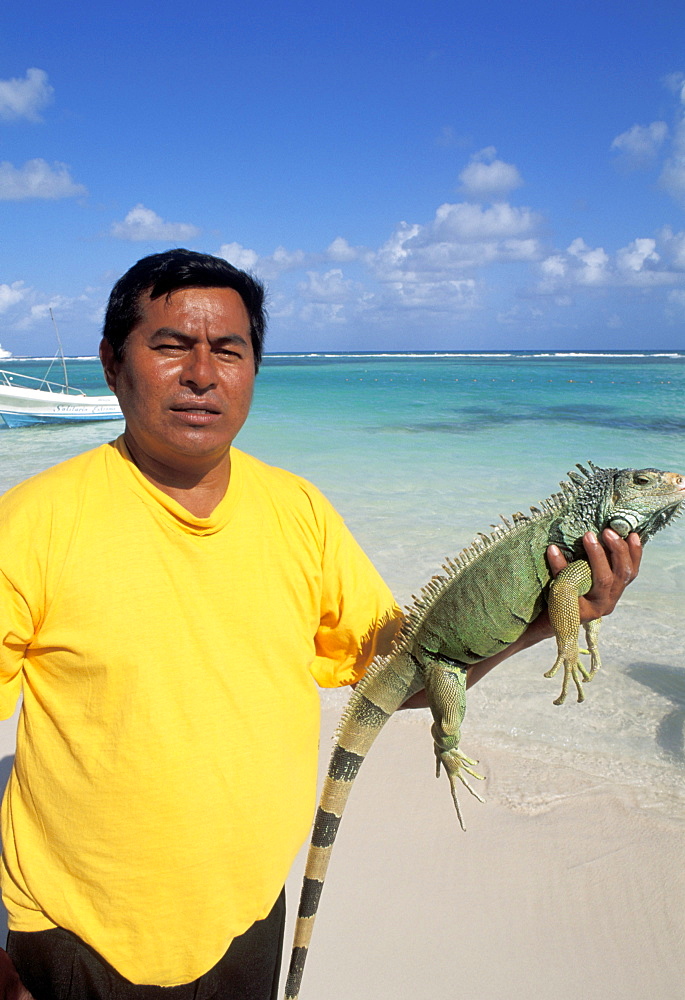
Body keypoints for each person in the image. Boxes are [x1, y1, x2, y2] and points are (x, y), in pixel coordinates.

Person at [0, 250, 641, 1000]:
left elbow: (399, 673)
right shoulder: (31, 524)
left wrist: (543, 619)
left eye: (229, 350)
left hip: (249, 910)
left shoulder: (299, 512)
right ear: (113, 364)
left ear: (253, 370)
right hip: (82, 932)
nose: (203, 373)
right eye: (171, 345)